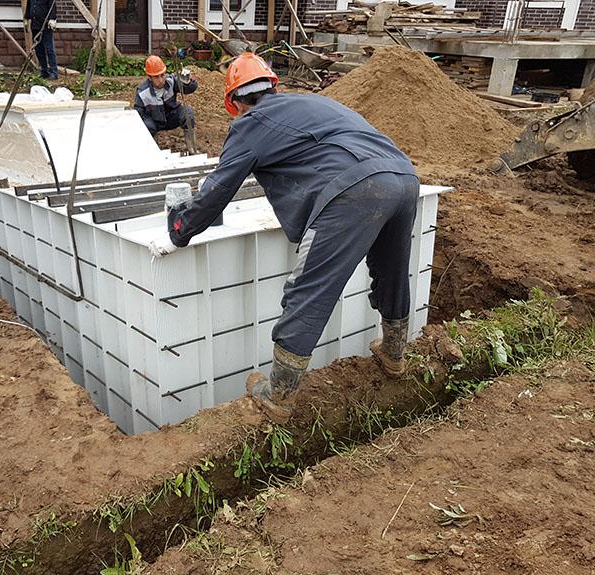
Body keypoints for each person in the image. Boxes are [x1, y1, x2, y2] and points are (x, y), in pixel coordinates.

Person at [148, 53, 419, 423]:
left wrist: (179, 231)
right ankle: (395, 353)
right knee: (391, 270)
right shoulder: (313, 102)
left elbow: (217, 190)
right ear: (271, 85)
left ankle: (278, 395)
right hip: (403, 178)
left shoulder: (251, 123)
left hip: (355, 190)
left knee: (309, 288)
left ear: (236, 102)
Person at [134, 55, 198, 154]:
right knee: (146, 126)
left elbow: (190, 89)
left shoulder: (171, 81)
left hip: (171, 117)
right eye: (156, 77)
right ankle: (152, 152)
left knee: (187, 113)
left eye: (162, 75)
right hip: (154, 121)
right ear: (149, 77)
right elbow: (138, 115)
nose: (161, 80)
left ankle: (192, 149)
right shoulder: (142, 92)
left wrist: (187, 81)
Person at [24, 0, 58, 80]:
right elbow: (29, 8)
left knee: (49, 49)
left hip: (46, 26)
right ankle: (44, 71)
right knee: (39, 50)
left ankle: (54, 72)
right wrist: (26, 19)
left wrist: (52, 19)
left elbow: (52, 8)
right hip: (35, 26)